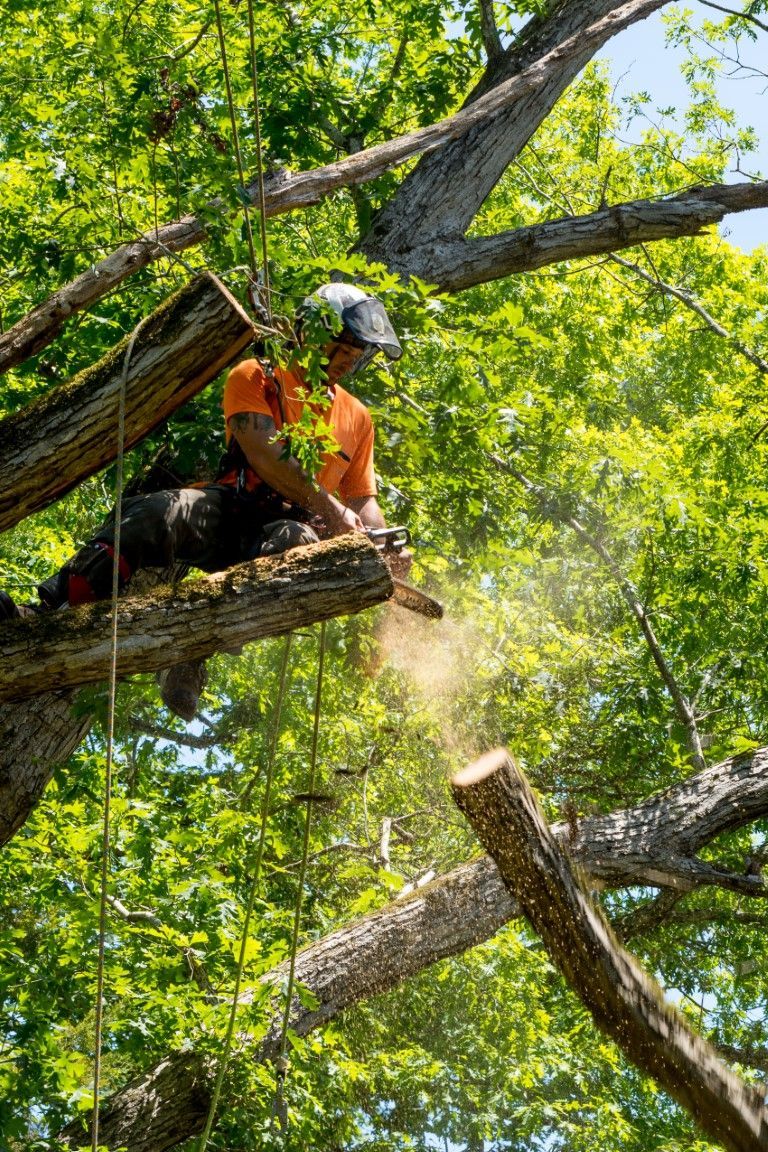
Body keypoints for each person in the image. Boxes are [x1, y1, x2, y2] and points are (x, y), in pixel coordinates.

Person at [0, 282, 410, 717]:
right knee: (152, 513)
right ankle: (50, 612)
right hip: (230, 510)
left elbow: (362, 497)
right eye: (342, 346)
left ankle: (193, 653)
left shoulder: (357, 417)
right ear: (309, 330)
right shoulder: (258, 375)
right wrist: (336, 510)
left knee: (296, 541)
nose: (348, 360)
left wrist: (382, 540)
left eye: (357, 351)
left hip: (291, 530)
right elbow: (265, 453)